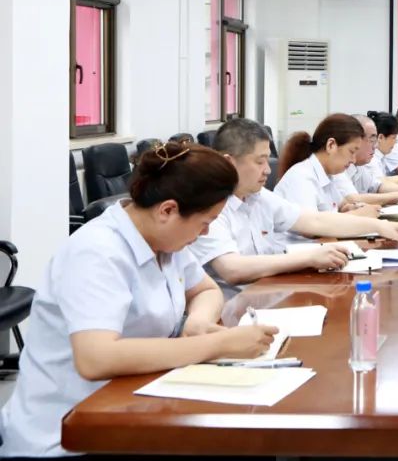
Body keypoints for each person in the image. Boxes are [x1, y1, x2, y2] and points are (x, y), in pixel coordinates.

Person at [0, 143, 278, 457]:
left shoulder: (164, 241)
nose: (205, 233)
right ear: (167, 210)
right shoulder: (97, 252)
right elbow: (96, 358)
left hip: (134, 406)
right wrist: (218, 344)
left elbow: (206, 290)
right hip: (68, 438)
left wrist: (199, 322)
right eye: (204, 222)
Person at [189, 118, 398, 299]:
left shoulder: (258, 197)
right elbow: (233, 269)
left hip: (271, 294)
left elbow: (314, 221)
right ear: (229, 162)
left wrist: (380, 226)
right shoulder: (208, 206)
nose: (267, 170)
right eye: (259, 161)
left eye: (267, 160)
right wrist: (309, 258)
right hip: (236, 313)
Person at [274, 113, 386, 215]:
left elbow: (339, 206)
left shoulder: (328, 175)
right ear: (331, 145)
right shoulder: (302, 177)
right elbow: (311, 225)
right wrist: (357, 215)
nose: (353, 160)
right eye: (352, 152)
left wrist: (349, 208)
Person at [333, 114, 398, 206]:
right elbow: (352, 199)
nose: (376, 146)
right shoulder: (338, 166)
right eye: (372, 140)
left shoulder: (359, 166)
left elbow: (378, 186)